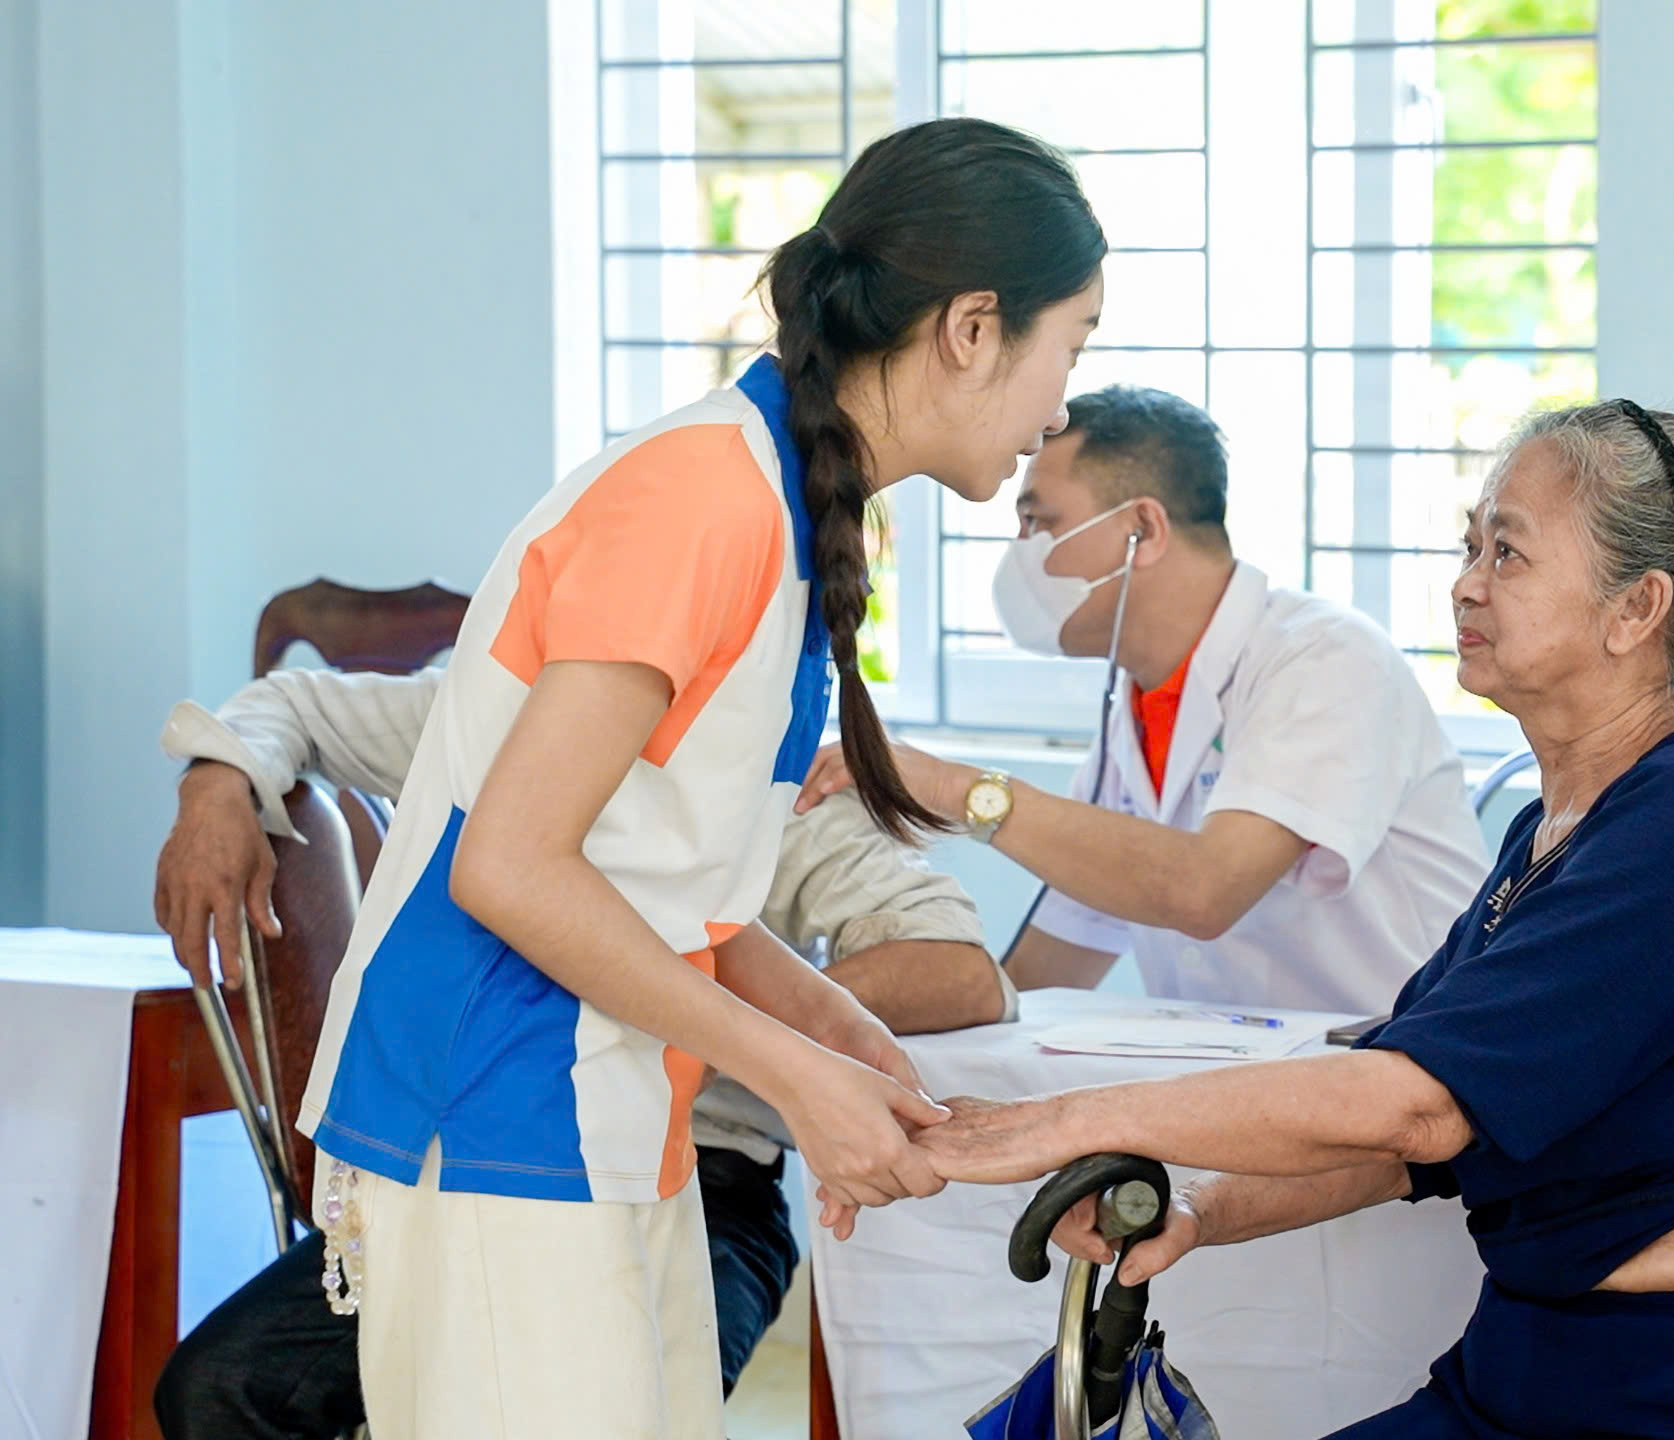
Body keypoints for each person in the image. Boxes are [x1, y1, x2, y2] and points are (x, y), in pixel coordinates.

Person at [277, 117, 1102, 1439]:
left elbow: (661, 886)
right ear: (970, 328)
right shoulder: (702, 499)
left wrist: (835, 1032)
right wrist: (793, 1076)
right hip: (496, 1103)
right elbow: (511, 866)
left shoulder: (783, 505)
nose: (1063, 397)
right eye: (1074, 340)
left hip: (603, 1109)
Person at [914, 402, 1674, 1439]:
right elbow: (1418, 1143)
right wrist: (1199, 1208)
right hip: (1532, 1362)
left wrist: (1070, 1121)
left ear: (1634, 609)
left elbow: (1416, 1110)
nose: (1467, 582)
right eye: (1470, 545)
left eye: (1509, 552)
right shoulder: (1551, 827)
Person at [148, 662, 1006, 1439]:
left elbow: (962, 972)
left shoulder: (780, 781)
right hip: (468, 1154)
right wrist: (217, 789)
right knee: (221, 1389)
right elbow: (290, 703)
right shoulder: (497, 711)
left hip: (706, 1178)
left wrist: (728, 1032)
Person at [807, 383, 1487, 1015]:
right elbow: (1041, 974)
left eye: (1038, 521)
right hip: (1249, 1091)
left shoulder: (1324, 658)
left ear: (1145, 530)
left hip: (1401, 1074)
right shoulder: (1132, 713)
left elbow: (1205, 891)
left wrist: (955, 787)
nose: (1022, 554)